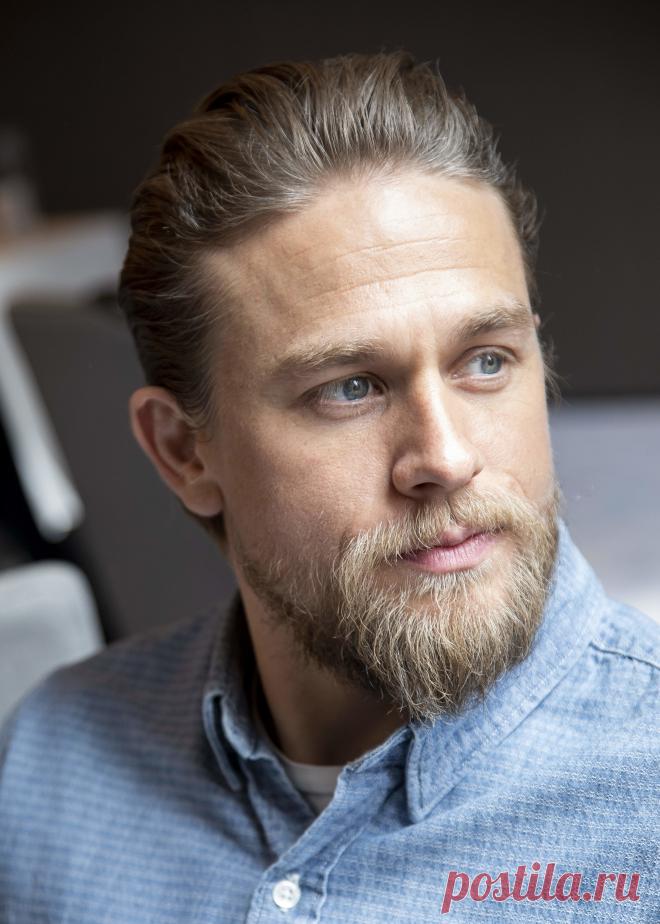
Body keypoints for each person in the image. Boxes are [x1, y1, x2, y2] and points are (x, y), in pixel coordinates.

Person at [1, 52, 658, 922]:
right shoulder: (45, 772)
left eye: (487, 360)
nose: (446, 457)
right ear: (183, 452)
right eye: (349, 388)